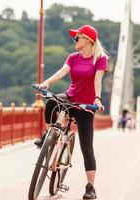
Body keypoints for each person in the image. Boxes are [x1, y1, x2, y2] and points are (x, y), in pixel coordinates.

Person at [34, 25, 108, 199]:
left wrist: (97, 99)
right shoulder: (73, 57)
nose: (74, 40)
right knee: (51, 102)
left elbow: (98, 80)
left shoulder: (100, 59)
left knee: (87, 148)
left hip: (86, 106)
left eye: (77, 38)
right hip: (70, 97)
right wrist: (47, 82)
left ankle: (90, 187)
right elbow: (62, 71)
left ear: (88, 40)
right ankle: (49, 134)